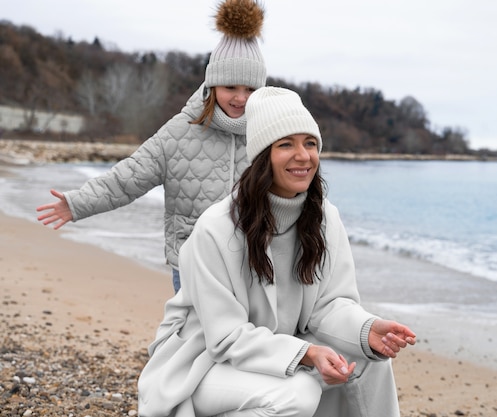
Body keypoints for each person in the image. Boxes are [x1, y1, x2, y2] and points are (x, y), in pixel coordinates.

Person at [137, 86, 417, 417]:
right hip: (201, 365)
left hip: (277, 353)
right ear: (262, 156)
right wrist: (308, 353)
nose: (303, 155)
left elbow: (329, 306)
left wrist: (366, 329)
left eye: (310, 143)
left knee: (371, 363)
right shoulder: (216, 229)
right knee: (297, 394)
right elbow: (227, 338)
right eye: (286, 144)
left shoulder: (325, 218)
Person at [35, 0, 267, 293]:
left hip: (253, 270)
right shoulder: (180, 132)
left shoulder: (269, 136)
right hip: (193, 267)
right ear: (211, 86)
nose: (240, 98)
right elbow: (127, 178)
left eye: (250, 89)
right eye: (230, 87)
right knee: (190, 339)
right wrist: (77, 203)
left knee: (248, 340)